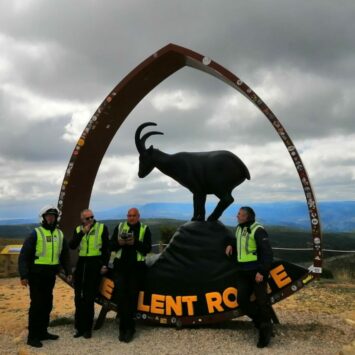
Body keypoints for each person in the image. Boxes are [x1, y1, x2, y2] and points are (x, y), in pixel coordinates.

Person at [18, 205, 72, 348]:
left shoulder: (59, 235)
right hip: (36, 276)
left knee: (47, 304)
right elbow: (24, 256)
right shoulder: (36, 234)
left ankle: (43, 332)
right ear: (43, 218)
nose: (51, 218)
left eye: (53, 216)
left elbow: (65, 255)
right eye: (48, 216)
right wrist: (24, 275)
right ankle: (32, 337)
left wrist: (68, 272)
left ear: (56, 218)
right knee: (36, 305)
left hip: (50, 276)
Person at [225, 206, 274, 348]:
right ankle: (263, 323)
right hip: (242, 271)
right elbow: (238, 241)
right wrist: (230, 245)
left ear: (247, 216)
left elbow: (267, 253)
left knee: (262, 301)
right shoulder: (239, 228)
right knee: (241, 300)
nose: (237, 216)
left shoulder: (258, 229)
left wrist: (262, 272)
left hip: (256, 272)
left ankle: (264, 334)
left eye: (240, 214)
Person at [110, 208, 152, 342]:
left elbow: (147, 249)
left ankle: (130, 329)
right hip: (121, 268)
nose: (131, 218)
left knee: (133, 298)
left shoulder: (145, 229)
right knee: (121, 298)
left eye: (134, 216)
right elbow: (111, 246)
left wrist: (135, 243)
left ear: (138, 216)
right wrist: (119, 243)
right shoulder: (120, 227)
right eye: (129, 215)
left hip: (136, 269)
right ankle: (123, 329)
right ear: (126, 216)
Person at [69, 209, 110, 339]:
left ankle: (87, 329)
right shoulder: (78, 229)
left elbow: (106, 249)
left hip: (95, 263)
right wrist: (82, 232)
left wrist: (104, 264)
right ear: (82, 219)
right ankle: (79, 328)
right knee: (78, 297)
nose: (90, 220)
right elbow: (72, 245)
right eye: (87, 218)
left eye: (91, 217)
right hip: (82, 263)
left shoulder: (102, 227)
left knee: (89, 297)